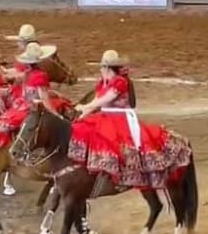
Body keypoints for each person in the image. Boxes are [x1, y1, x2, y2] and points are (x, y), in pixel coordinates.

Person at [69, 50, 170, 188]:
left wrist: (86, 105)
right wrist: (81, 115)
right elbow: (97, 101)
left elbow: (105, 99)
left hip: (120, 118)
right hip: (105, 116)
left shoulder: (120, 82)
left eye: (102, 67)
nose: (101, 70)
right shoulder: (103, 82)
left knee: (111, 141)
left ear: (108, 68)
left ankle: (117, 171)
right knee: (81, 127)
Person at [0, 43, 60, 180]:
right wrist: (56, 114)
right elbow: (44, 99)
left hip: (20, 104)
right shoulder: (40, 75)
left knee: (3, 120)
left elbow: (14, 76)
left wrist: (3, 72)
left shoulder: (26, 73)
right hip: (32, 107)